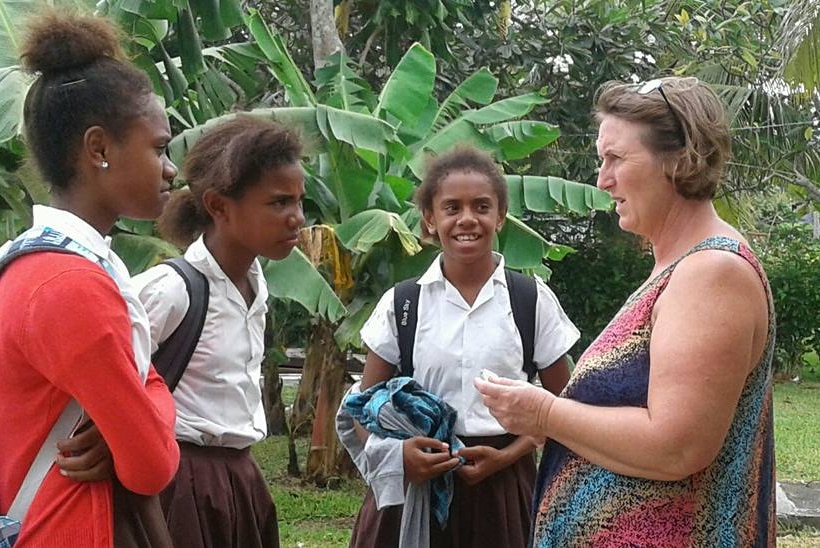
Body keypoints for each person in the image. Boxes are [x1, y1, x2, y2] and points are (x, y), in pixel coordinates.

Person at [476, 76, 776, 547]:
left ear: (679, 160)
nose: (602, 179)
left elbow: (677, 446)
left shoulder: (711, 273)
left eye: (615, 158)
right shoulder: (678, 268)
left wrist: (544, 415)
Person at [0, 11, 180, 547]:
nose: (171, 169)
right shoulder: (72, 287)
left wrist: (132, 412)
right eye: (159, 147)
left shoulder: (23, 265)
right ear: (99, 149)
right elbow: (151, 465)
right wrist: (149, 403)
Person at [346, 146, 580, 548]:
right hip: (415, 491)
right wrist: (401, 457)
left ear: (500, 216)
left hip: (504, 493)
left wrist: (508, 456)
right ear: (430, 219)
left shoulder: (530, 300)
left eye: (482, 206)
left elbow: (568, 409)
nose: (467, 219)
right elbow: (363, 412)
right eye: (451, 207)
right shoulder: (403, 304)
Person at [132, 115, 305, 548]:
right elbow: (106, 381)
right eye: (278, 203)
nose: (296, 218)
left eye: (300, 203)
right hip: (182, 484)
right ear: (219, 206)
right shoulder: (173, 289)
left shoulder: (256, 286)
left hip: (241, 478)